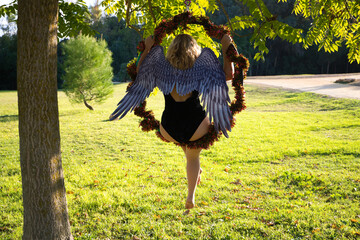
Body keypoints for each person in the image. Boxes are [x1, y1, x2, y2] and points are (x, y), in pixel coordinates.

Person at [110, 33, 234, 209]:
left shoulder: (161, 66)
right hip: (196, 126)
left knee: (188, 148)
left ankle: (195, 171)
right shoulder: (202, 66)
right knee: (192, 157)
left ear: (172, 49)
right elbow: (229, 74)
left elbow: (139, 71)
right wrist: (225, 47)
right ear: (194, 49)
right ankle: (190, 197)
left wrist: (146, 49)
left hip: (168, 127)